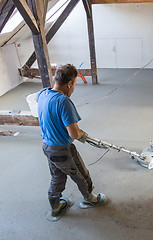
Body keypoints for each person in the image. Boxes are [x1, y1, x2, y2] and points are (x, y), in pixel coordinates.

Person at [36, 64, 105, 220]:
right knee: (81, 174)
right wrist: (83, 135)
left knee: (57, 176)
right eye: (74, 85)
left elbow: (35, 98)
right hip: (62, 149)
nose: (73, 89)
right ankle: (89, 198)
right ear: (69, 83)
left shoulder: (43, 94)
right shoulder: (64, 102)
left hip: (47, 147)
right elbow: (74, 133)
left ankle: (55, 206)